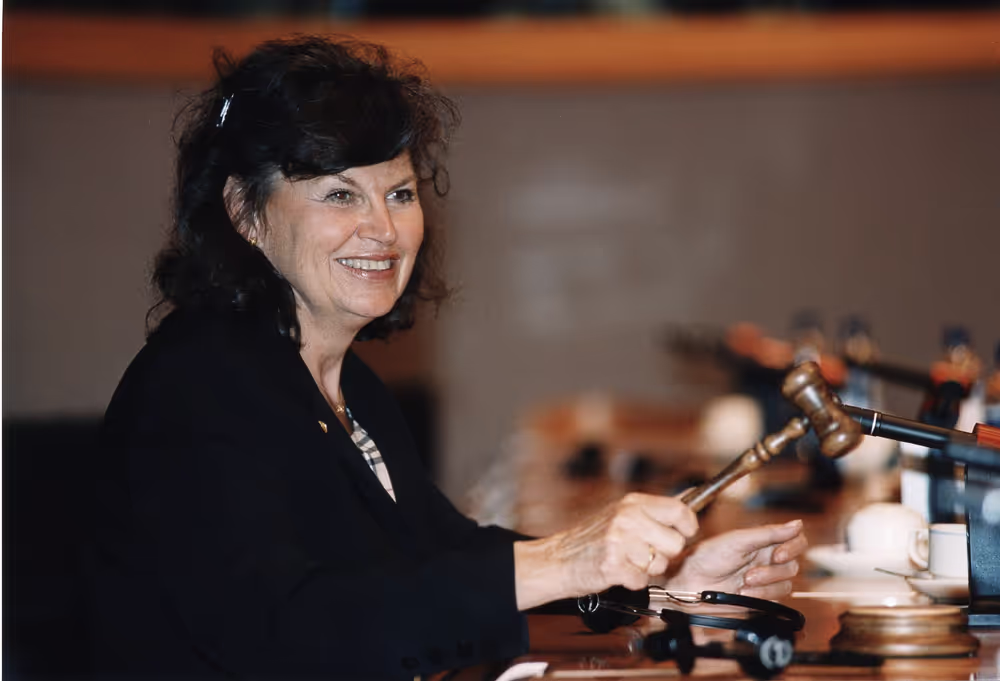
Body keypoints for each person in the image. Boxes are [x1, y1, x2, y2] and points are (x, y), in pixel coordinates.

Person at [86, 36, 807, 680]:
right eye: (340, 194)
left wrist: (667, 591)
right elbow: (287, 628)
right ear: (245, 213)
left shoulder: (347, 384)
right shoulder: (196, 387)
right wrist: (564, 559)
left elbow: (441, 558)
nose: (382, 228)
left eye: (399, 193)